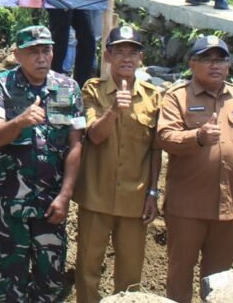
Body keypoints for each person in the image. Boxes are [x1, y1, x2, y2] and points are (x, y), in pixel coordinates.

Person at [0, 25, 84, 302]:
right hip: (8, 206)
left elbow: (75, 144)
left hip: (51, 205)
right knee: (8, 284)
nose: (41, 57)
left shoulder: (68, 88)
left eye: (46, 50)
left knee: (50, 283)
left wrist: (65, 195)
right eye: (33, 52)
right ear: (17, 55)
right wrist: (20, 121)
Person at [157, 35, 233, 303]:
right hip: (187, 208)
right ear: (192, 63)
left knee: (220, 279)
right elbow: (165, 138)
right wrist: (198, 137)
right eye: (206, 59)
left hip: (229, 208)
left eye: (221, 59)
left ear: (228, 65)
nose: (215, 65)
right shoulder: (177, 97)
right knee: (180, 273)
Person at [74, 26, 161, 303]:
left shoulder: (153, 96)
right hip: (96, 196)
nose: (126, 58)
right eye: (119, 52)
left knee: (130, 274)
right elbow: (94, 136)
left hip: (135, 200)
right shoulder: (92, 89)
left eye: (132, 53)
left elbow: (156, 150)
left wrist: (153, 192)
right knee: (87, 269)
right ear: (107, 56)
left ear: (141, 58)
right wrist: (113, 110)